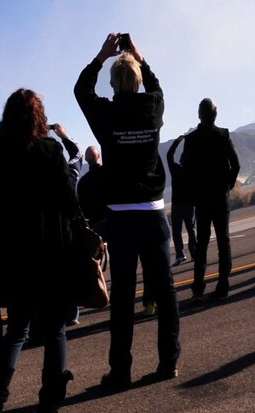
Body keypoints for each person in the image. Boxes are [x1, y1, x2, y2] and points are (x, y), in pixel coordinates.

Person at [74, 33, 179, 389]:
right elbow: (158, 86)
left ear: (113, 84)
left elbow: (81, 91)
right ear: (137, 80)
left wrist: (102, 55)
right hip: (153, 214)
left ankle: (120, 370)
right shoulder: (152, 106)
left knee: (123, 298)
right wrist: (139, 56)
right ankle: (169, 361)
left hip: (120, 217)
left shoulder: (105, 113)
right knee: (164, 292)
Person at [0, 91, 83, 413]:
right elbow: (69, 201)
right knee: (54, 331)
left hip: (14, 258)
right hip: (52, 255)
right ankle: (48, 407)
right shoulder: (50, 151)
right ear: (39, 116)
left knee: (16, 331)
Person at [185, 99, 240, 300]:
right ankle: (223, 284)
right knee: (223, 240)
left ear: (200, 114)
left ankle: (198, 288)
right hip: (219, 196)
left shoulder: (191, 140)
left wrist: (192, 193)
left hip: (201, 199)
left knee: (202, 244)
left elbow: (186, 171)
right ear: (215, 115)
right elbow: (236, 164)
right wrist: (228, 185)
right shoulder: (223, 135)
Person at [164, 133, 198, 271]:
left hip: (177, 204)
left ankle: (180, 254)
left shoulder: (176, 169)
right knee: (191, 229)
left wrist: (178, 141)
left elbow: (169, 155)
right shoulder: (192, 172)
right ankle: (194, 253)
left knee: (176, 231)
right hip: (190, 204)